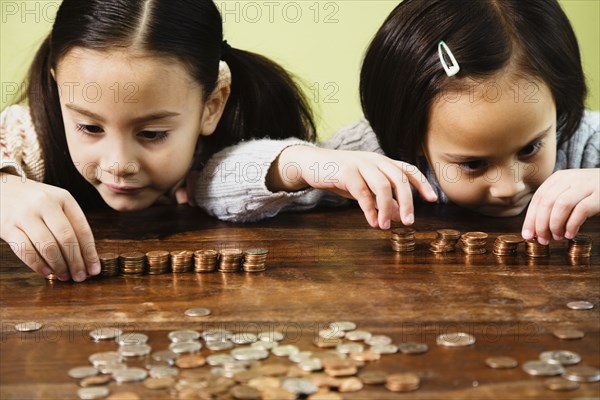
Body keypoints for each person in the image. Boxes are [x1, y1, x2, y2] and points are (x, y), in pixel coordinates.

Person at [192, 0, 599, 245]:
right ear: (412, 137)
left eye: (530, 148)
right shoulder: (374, 157)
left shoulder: (583, 144)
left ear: (559, 105)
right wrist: (303, 163)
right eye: (472, 164)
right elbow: (208, 184)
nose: (510, 186)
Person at [0, 0, 315, 282]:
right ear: (58, 91)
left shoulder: (244, 139)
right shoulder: (25, 139)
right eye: (90, 127)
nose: (119, 164)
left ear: (213, 105)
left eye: (151, 134)